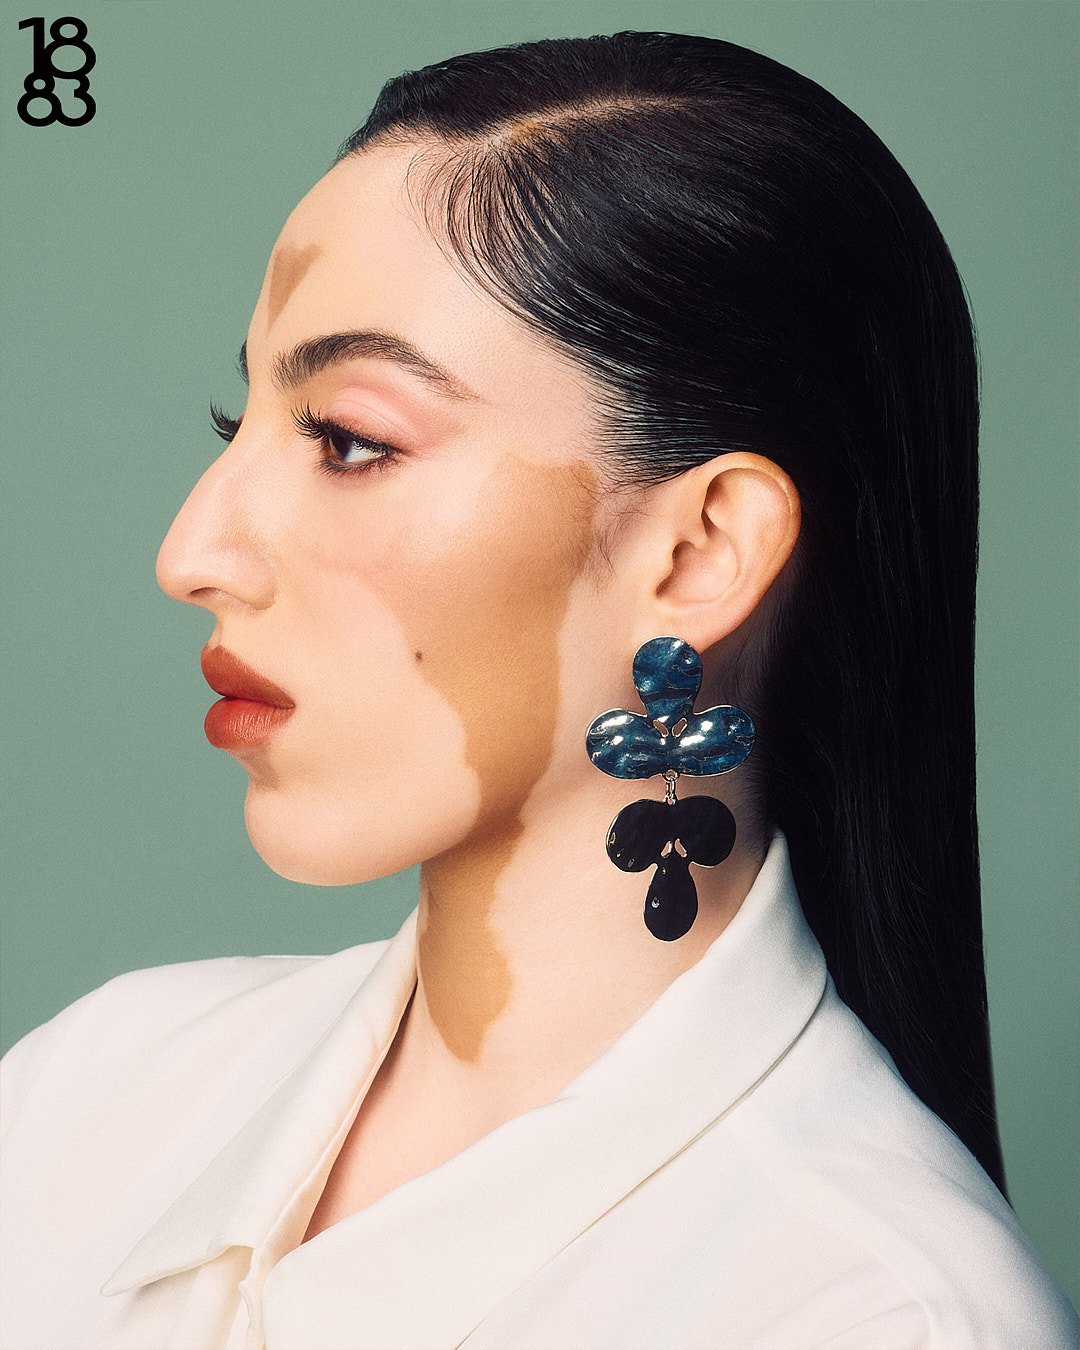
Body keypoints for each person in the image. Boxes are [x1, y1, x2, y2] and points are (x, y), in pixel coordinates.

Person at [1, 28, 1077, 1350]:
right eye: (245, 429)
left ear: (698, 551)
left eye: (349, 438)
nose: (191, 551)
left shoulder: (876, 1313)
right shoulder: (90, 1093)